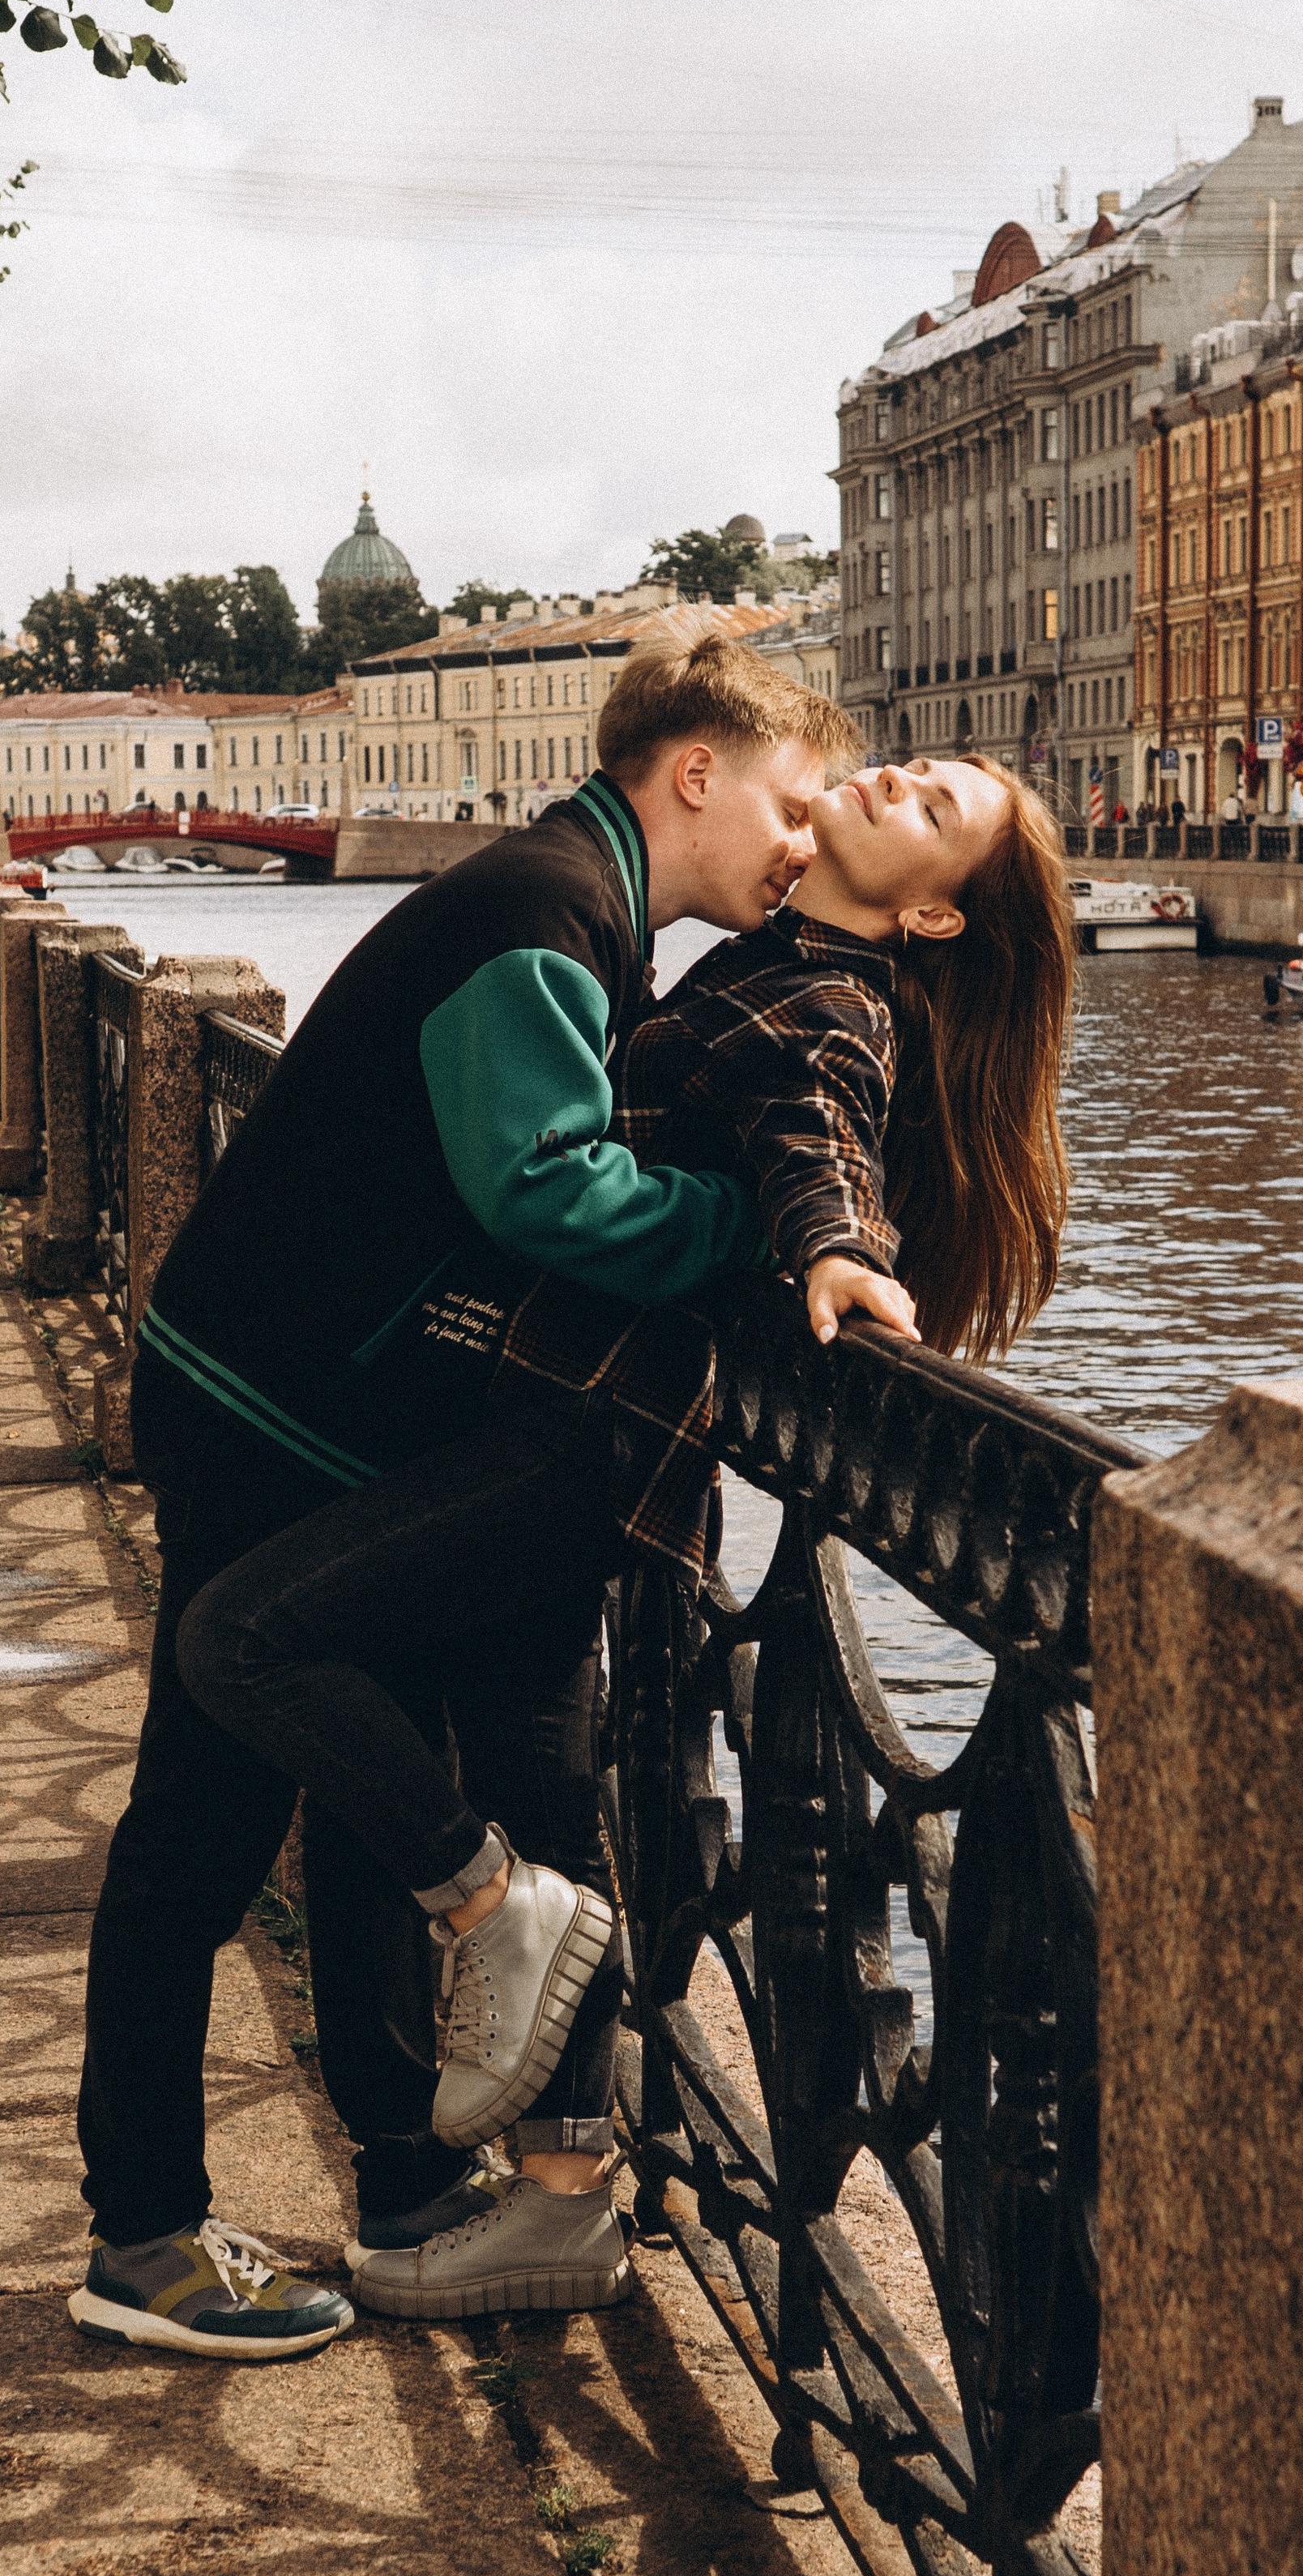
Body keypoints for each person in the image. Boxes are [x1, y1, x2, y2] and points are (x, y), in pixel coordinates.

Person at [173, 748, 1076, 2325]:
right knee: (539, 1781)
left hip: (575, 1439)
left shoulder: (832, 1004)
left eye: (936, 810)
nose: (896, 780)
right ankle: (556, 2201)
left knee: (252, 1640)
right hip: (546, 1422)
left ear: (934, 917)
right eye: (914, 765)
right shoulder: (766, 951)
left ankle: (487, 1920)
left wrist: (840, 1251)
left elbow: (815, 1137)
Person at [67, 636, 855, 2363]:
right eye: (791, 806)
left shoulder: (577, 908)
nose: (803, 842)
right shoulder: (538, 910)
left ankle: (408, 2189)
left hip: (325, 1409)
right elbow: (546, 1190)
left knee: (360, 1808)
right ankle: (139, 2233)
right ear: (696, 774)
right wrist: (749, 1239)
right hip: (261, 1404)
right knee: (197, 1828)